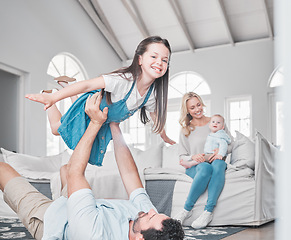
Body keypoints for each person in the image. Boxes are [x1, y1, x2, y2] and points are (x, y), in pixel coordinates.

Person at [0, 92, 184, 240]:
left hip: (50, 220)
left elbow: (76, 173)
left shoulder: (94, 234)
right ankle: (66, 199)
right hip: (78, 211)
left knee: (3, 169)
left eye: (152, 217)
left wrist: (96, 122)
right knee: (64, 169)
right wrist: (114, 125)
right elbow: (129, 174)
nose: (152, 210)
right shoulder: (148, 216)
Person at [25, 36, 175, 166]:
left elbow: (154, 114)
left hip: (102, 120)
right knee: (55, 129)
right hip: (90, 108)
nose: (159, 63)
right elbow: (87, 85)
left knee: (84, 147)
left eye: (164, 60)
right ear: (140, 59)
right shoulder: (123, 80)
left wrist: (164, 135)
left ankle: (66, 85)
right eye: (154, 57)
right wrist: (53, 98)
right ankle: (48, 93)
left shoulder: (152, 94)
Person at [174, 92, 233, 229]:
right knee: (206, 167)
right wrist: (193, 157)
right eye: (192, 107)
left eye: (198, 105)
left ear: (202, 103)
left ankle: (208, 212)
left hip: (215, 162)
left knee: (219, 163)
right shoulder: (186, 129)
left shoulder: (216, 121)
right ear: (187, 111)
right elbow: (182, 156)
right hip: (196, 167)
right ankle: (186, 210)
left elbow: (230, 144)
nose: (197, 109)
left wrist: (221, 151)